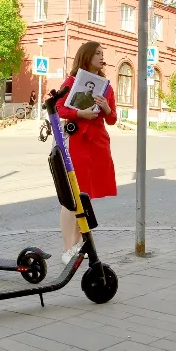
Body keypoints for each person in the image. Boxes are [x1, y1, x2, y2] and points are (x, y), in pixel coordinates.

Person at [55, 42, 117, 264]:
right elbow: (59, 108)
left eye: (103, 53)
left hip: (98, 144)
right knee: (73, 196)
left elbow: (112, 119)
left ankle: (78, 245)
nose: (102, 57)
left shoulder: (106, 86)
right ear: (86, 56)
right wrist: (80, 113)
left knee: (87, 194)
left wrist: (107, 108)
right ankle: (68, 248)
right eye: (98, 53)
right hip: (78, 143)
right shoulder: (72, 82)